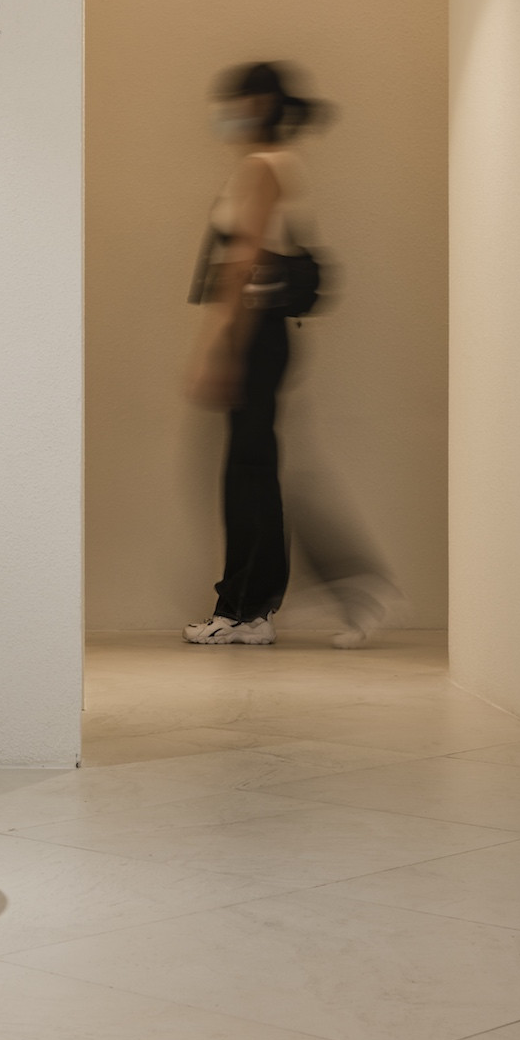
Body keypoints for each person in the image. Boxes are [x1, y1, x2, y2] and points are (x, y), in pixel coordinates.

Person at [183, 60, 394, 648]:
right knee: (257, 475)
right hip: (265, 333)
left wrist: (214, 349)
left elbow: (242, 263)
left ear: (255, 104)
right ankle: (256, 610)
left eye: (232, 102)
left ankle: (260, 603)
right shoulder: (273, 166)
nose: (222, 114)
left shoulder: (263, 168)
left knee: (248, 477)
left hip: (255, 333)